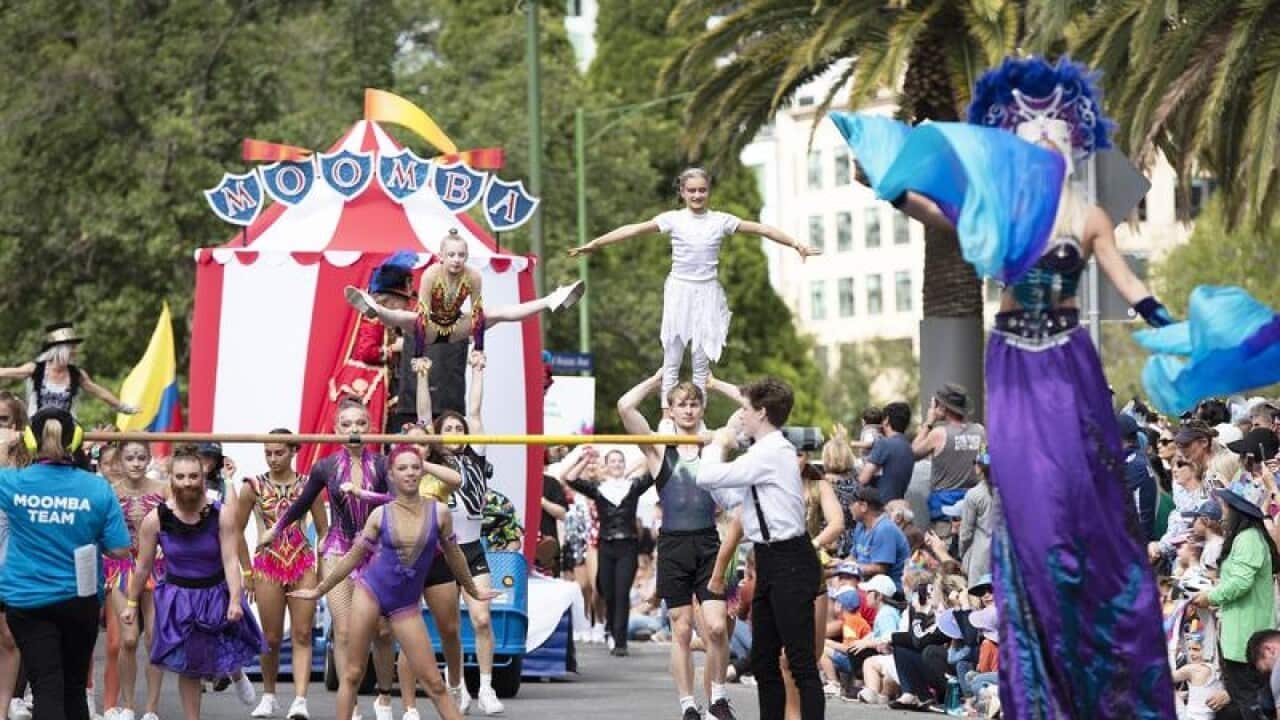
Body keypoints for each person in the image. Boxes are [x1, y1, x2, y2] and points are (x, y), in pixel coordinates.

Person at [835, 55, 1177, 717]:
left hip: (1067, 362)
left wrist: (1172, 330)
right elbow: (933, 211)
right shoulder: (1000, 211)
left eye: (1052, 130)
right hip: (1014, 364)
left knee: (1081, 507)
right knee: (1031, 513)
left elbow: (1132, 287)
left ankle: (1095, 657)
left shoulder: (1092, 215)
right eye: (1029, 130)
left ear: (1070, 142)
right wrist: (883, 180)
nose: (1041, 139)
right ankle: (1040, 677)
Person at [568, 169, 818, 410]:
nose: (697, 195)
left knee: (701, 362)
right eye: (692, 191)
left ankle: (698, 415)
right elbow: (634, 229)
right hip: (680, 290)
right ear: (682, 192)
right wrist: (596, 244)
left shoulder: (721, 220)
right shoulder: (673, 219)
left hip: (707, 292)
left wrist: (796, 244)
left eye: (702, 190)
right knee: (672, 359)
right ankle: (668, 414)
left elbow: (762, 228)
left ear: (709, 191)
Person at [289, 445, 498, 720]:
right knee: (352, 674)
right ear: (392, 475)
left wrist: (472, 589)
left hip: (405, 605)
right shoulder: (381, 514)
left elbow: (454, 555)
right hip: (371, 593)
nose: (410, 473)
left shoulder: (440, 513)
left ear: (423, 470)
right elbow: (353, 557)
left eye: (415, 467)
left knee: (435, 683)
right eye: (402, 468)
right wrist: (319, 589)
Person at [258, 400, 398, 720]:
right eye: (346, 424)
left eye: (360, 423)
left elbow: (396, 499)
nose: (354, 430)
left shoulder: (382, 463)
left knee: (383, 630)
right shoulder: (326, 467)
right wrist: (277, 529)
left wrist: (366, 495)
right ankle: (353, 705)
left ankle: (384, 697)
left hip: (375, 551)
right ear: (336, 430)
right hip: (338, 549)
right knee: (346, 630)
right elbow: (301, 503)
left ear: (371, 427)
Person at [696, 377, 824, 720]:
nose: (742, 416)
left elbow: (706, 477)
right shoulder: (763, 452)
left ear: (762, 413)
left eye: (746, 410)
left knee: (800, 663)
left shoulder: (771, 452)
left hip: (790, 560)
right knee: (764, 661)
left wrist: (719, 443)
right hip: (769, 560)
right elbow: (734, 500)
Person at [617, 370, 741, 720]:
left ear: (702, 408)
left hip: (708, 542)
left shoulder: (715, 443)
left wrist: (717, 384)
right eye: (681, 404)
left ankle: (718, 698)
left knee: (716, 626)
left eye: (694, 403)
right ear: (670, 410)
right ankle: (688, 705)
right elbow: (625, 406)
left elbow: (750, 406)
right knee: (682, 629)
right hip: (673, 545)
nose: (688, 409)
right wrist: (655, 380)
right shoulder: (658, 450)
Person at [0, 408, 132, 720]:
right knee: (73, 687)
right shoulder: (97, 487)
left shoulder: (11, 483)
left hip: (27, 600)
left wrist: (9, 441)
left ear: (30, 440)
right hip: (79, 599)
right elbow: (120, 550)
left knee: (45, 685)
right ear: (76, 440)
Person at [122, 446, 262, 720]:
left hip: (216, 590)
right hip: (179, 597)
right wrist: (131, 603)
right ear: (171, 478)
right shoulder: (155, 519)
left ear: (202, 477)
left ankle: (235, 673)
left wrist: (235, 599)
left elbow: (231, 559)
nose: (187, 482)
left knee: (224, 640)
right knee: (190, 664)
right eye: (181, 476)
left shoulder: (220, 514)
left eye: (193, 476)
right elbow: (142, 567)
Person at [400, 350, 505, 717]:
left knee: (481, 618)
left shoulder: (475, 454)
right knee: (446, 626)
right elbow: (424, 416)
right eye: (449, 430)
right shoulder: (433, 461)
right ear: (437, 437)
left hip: (472, 547)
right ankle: (456, 682)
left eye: (459, 430)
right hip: (441, 550)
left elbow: (474, 413)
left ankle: (487, 688)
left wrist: (477, 372)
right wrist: (423, 377)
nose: (456, 433)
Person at [345, 228, 584, 358]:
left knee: (497, 312)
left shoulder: (473, 276)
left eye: (461, 255)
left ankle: (552, 299)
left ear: (466, 257)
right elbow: (422, 314)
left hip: (458, 325)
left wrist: (478, 349)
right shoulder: (430, 275)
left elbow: (477, 312)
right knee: (402, 317)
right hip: (428, 327)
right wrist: (419, 354)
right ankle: (373, 306)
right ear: (441, 256)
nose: (457, 260)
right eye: (451, 255)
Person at [235, 430, 328, 720]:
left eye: (279, 452)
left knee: (302, 633)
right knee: (272, 637)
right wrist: (247, 571)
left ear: (293, 451)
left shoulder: (309, 486)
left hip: (302, 563)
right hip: (268, 565)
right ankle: (269, 695)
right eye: (268, 453)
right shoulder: (252, 486)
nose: (273, 458)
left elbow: (324, 532)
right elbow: (236, 530)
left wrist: (324, 570)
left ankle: (300, 700)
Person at [306, 252, 417, 467]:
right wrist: (395, 348)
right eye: (404, 301)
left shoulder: (390, 320)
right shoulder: (373, 316)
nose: (406, 305)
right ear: (391, 299)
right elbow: (367, 351)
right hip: (367, 384)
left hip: (380, 384)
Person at [1191, 481, 1280, 719]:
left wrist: (1210, 595)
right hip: (1237, 637)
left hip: (1246, 638)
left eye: (1225, 506)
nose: (1222, 512)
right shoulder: (1245, 538)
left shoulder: (1249, 538)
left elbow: (1241, 583)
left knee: (1252, 705)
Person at [561, 447, 655, 657]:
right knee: (607, 591)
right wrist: (586, 460)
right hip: (605, 545)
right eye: (612, 461)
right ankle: (610, 628)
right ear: (606, 465)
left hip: (628, 545)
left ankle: (620, 640)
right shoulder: (598, 488)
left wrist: (650, 452)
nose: (617, 465)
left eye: (620, 461)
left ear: (624, 465)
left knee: (622, 592)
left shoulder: (634, 485)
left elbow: (655, 472)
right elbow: (569, 477)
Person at [104, 441, 168, 720]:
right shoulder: (109, 493)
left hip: (156, 566)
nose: (136, 463)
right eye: (130, 458)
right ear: (121, 460)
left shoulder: (163, 489)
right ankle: (129, 705)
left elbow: (179, 522)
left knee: (154, 638)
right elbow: (99, 530)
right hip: (120, 567)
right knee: (128, 639)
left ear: (148, 459)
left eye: (141, 457)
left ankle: (152, 709)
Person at [0, 323, 137, 417]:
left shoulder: (76, 375)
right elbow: (7, 372)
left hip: (66, 429)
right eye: (72, 347)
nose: (75, 351)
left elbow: (100, 393)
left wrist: (125, 408)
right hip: (38, 427)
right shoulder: (36, 369)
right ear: (61, 350)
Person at [911, 385, 985, 533]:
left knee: (945, 553)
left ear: (943, 407)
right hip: (974, 507)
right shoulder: (980, 430)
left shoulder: (939, 434)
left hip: (945, 512)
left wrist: (929, 423)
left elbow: (912, 453)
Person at [0, 392, 30, 720]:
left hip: (10, 567)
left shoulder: (26, 469)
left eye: (3, 420)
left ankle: (4, 708)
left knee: (9, 637)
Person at [848, 486, 910, 592]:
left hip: (888, 591)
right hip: (865, 583)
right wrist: (838, 564)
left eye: (852, 503)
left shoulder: (885, 529)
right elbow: (853, 557)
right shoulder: (860, 525)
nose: (849, 508)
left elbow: (880, 568)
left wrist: (850, 567)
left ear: (863, 506)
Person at [858, 401, 914, 502]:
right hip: (897, 502)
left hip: (880, 506)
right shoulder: (908, 447)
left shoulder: (884, 444)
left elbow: (863, 479)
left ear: (887, 420)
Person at [957, 453, 994, 588]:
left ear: (979, 468)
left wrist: (963, 555)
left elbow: (965, 534)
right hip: (1006, 554)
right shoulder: (1009, 491)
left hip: (981, 556)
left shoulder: (974, 494)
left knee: (978, 599)